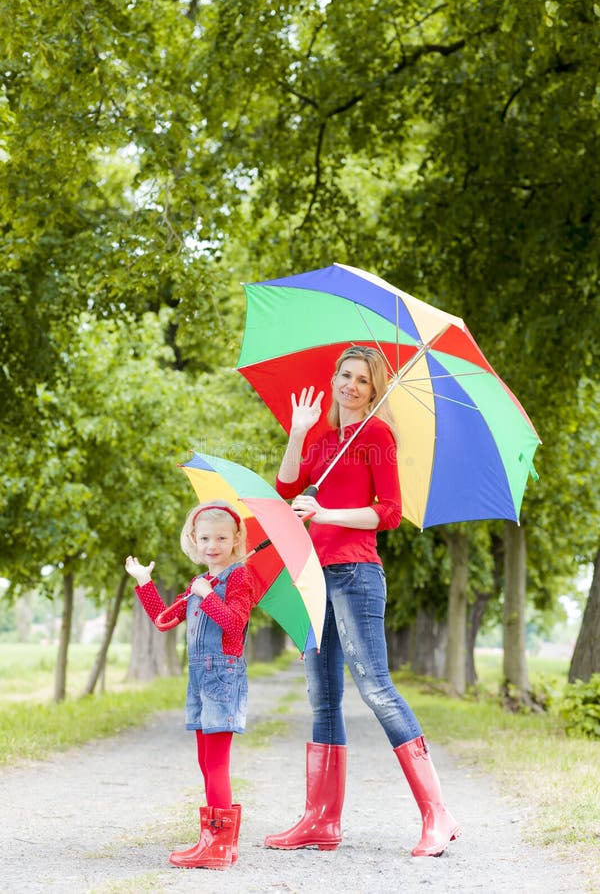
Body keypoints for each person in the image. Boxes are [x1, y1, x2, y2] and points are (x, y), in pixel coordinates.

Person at [264, 345, 460, 858]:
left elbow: (389, 512)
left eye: (363, 379)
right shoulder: (325, 440)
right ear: (334, 380)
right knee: (323, 697)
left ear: (375, 390)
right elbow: (288, 486)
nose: (352, 385)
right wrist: (300, 432)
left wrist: (326, 512)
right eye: (345, 375)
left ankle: (438, 814)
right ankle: (321, 821)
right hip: (314, 578)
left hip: (355, 574)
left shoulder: (377, 436)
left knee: (375, 688)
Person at [124, 499, 259, 870]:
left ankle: (215, 845)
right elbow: (164, 620)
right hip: (199, 676)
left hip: (222, 675)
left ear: (235, 541)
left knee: (216, 762)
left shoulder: (238, 578)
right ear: (193, 541)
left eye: (221, 538)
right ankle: (221, 843)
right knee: (205, 760)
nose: (212, 545)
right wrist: (144, 582)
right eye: (205, 538)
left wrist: (206, 595)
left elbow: (234, 624)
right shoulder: (200, 582)